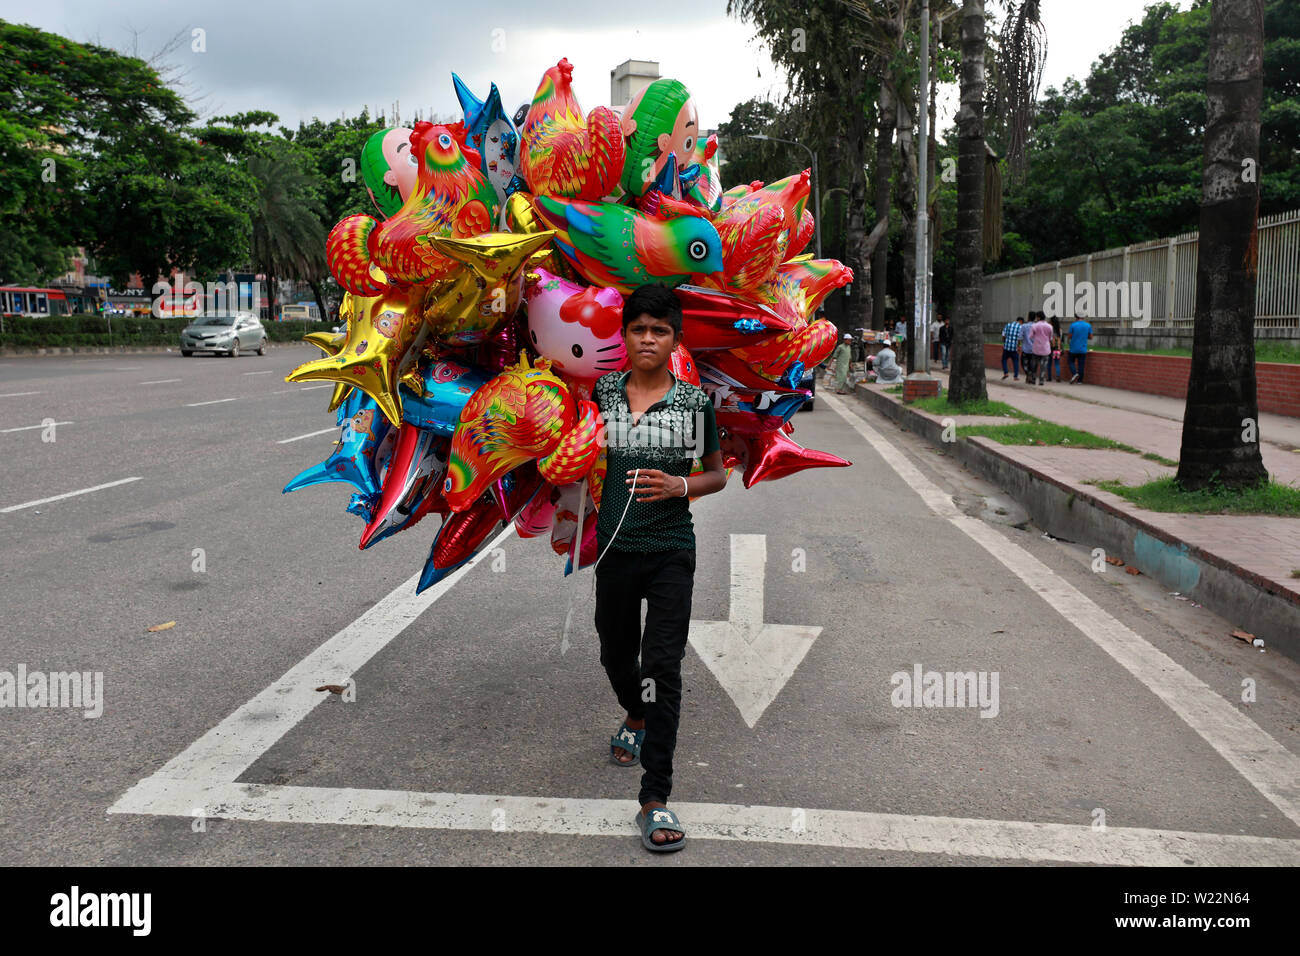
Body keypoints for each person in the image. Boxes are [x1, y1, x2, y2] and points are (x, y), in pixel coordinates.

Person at [592, 283, 727, 853]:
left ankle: (655, 798)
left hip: (672, 548)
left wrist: (681, 483)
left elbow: (717, 474)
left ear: (676, 339)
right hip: (614, 551)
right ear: (624, 335)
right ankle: (636, 715)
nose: (648, 338)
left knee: (661, 666)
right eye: (639, 329)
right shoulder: (603, 392)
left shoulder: (694, 404)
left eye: (660, 330)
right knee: (614, 652)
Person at [1028, 311, 1053, 385]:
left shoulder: (1034, 326)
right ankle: (1041, 380)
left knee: (1034, 364)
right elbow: (1050, 338)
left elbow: (1030, 336)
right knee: (1044, 365)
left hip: (1036, 348)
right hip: (1046, 348)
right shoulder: (1049, 326)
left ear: (1038, 317)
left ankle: (1033, 378)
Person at [1067, 314, 1093, 383]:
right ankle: (1080, 381)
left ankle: (1074, 373)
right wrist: (1084, 336)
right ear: (1083, 318)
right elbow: (1091, 337)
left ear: (1076, 318)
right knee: (1081, 365)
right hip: (1083, 349)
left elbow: (1069, 336)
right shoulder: (1088, 325)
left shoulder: (1073, 325)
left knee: (1070, 361)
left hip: (1073, 348)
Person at [1000, 315, 1023, 380]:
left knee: (1004, 360)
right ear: (1021, 321)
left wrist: (1004, 342)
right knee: (1015, 361)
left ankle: (1006, 373)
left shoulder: (1008, 325)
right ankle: (1015, 376)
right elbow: (1019, 338)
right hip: (1014, 348)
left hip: (1006, 347)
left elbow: (1003, 335)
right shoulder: (1020, 327)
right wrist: (1018, 346)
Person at [1049, 317, 1062, 382]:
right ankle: (1058, 376)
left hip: (1050, 348)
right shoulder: (1060, 330)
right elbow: (1060, 339)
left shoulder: (1050, 329)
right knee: (1057, 363)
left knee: (1049, 363)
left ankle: (1049, 377)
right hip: (1057, 348)